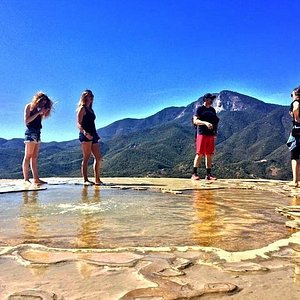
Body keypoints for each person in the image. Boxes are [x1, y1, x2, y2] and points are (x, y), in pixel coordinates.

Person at [22, 92, 54, 185]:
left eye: (45, 102)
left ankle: (36, 178)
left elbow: (42, 118)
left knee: (34, 157)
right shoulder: (29, 106)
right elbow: (27, 120)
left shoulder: (40, 109)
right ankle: (26, 179)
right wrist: (38, 113)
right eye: (42, 101)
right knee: (28, 156)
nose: (43, 103)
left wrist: (44, 112)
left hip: (38, 132)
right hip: (30, 132)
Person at [76, 89, 103, 185]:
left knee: (98, 157)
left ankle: (97, 179)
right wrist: (84, 132)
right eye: (88, 96)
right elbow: (78, 123)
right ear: (84, 97)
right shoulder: (82, 109)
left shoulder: (91, 109)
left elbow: (92, 123)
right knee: (86, 157)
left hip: (93, 134)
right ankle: (85, 180)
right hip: (85, 134)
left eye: (92, 96)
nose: (91, 98)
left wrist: (95, 134)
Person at [191, 93, 219, 180]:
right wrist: (205, 123)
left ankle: (208, 174)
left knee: (209, 154)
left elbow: (215, 122)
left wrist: (215, 133)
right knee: (199, 153)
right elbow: (195, 121)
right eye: (211, 99)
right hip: (201, 133)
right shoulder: (199, 109)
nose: (212, 101)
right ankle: (194, 174)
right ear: (206, 99)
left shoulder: (212, 110)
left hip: (210, 134)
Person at [288, 86, 300, 187]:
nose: (292, 97)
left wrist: (296, 118)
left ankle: (295, 182)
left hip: (297, 131)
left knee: (294, 156)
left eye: (292, 95)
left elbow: (296, 107)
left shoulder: (296, 102)